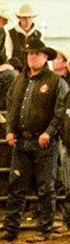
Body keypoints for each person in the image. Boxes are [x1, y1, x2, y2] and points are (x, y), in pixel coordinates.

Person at [0, 39, 68, 244]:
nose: (33, 57)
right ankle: (12, 229)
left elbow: (60, 112)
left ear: (45, 58)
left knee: (45, 187)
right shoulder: (19, 80)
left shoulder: (55, 81)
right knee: (16, 187)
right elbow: (11, 104)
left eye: (38, 54)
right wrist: (10, 130)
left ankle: (44, 230)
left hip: (43, 142)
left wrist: (49, 132)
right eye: (30, 53)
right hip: (22, 141)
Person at [53, 44, 70, 233]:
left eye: (58, 58)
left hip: (66, 139)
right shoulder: (62, 85)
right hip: (66, 138)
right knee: (67, 182)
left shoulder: (62, 85)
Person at [8, 4, 41, 69]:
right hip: (15, 68)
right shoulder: (11, 33)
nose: (27, 20)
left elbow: (41, 55)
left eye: (29, 17)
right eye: (24, 17)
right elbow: (8, 54)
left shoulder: (39, 35)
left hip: (33, 69)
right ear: (19, 18)